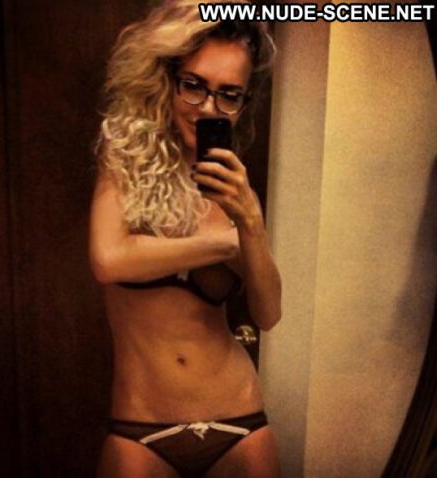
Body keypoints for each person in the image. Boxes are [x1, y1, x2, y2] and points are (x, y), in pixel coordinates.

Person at [89, 0, 281, 476]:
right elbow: (109, 259)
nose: (209, 108)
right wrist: (224, 245)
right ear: (168, 77)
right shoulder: (125, 160)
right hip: (140, 428)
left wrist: (250, 223)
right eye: (194, 86)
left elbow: (269, 313)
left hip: (240, 420)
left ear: (243, 101)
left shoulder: (233, 188)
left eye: (229, 95)